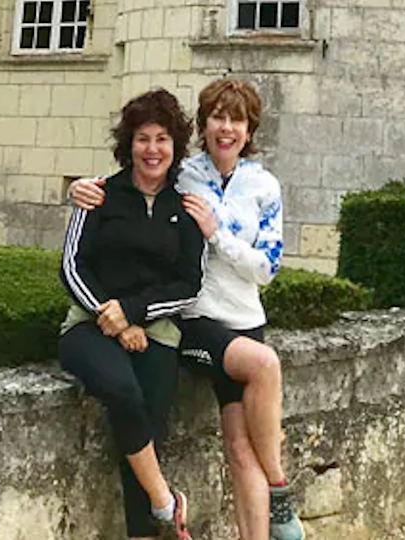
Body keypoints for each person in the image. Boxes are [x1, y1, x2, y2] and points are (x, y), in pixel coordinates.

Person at [70, 78, 305, 540]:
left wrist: (218, 234)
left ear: (249, 128)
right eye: (218, 117)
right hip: (197, 322)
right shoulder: (186, 174)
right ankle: (280, 488)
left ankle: (268, 510)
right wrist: (80, 187)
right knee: (264, 364)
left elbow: (267, 268)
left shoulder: (263, 185)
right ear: (203, 125)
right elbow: (136, 178)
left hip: (244, 321)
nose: (226, 128)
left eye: (236, 119)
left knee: (240, 446)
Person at [58, 88, 204, 540]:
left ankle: (143, 530)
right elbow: (70, 265)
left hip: (156, 330)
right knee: (121, 391)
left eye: (162, 139)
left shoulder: (184, 209)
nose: (153, 149)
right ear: (129, 144)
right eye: (143, 138)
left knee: (147, 430)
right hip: (88, 325)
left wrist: (135, 314)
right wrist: (113, 317)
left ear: (175, 146)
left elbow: (188, 284)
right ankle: (164, 501)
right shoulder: (99, 195)